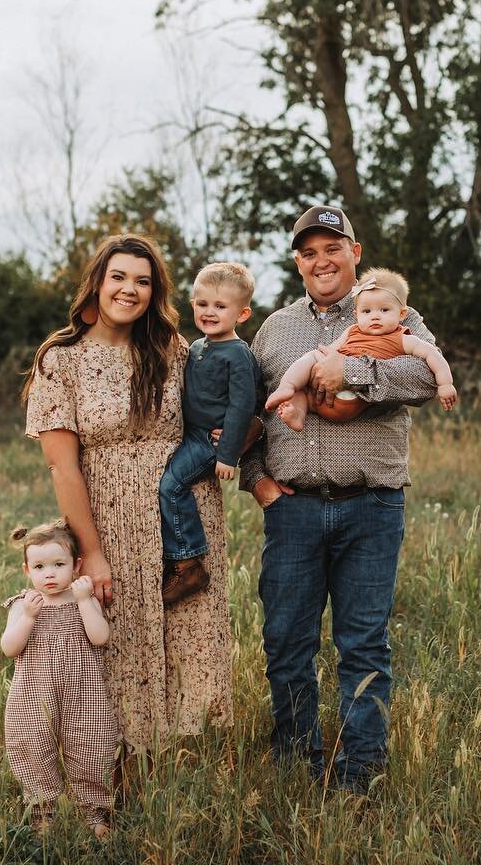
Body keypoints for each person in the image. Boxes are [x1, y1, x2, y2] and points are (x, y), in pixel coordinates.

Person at [239, 205, 439, 792]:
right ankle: (298, 764)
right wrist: (258, 482)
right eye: (309, 251)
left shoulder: (391, 314)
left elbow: (426, 378)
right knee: (287, 638)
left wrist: (347, 371)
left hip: (371, 504)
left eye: (334, 247)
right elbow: (249, 413)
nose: (321, 259)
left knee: (363, 642)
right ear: (297, 261)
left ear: (355, 251)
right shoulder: (275, 329)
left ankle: (359, 773)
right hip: (293, 505)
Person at [21, 234, 233, 760]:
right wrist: (90, 552)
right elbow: (62, 465)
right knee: (117, 635)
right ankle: (118, 761)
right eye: (119, 276)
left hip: (184, 511)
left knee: (193, 629)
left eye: (143, 281)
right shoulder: (60, 359)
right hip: (107, 515)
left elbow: (223, 402)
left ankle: (192, 761)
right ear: (97, 282)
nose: (130, 290)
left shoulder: (174, 350)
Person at [0, 520, 119, 838]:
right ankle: (43, 813)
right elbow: (9, 648)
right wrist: (28, 617)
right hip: (34, 690)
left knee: (91, 744)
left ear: (76, 566)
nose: (49, 574)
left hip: (83, 689)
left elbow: (100, 637)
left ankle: (94, 812)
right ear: (27, 570)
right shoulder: (24, 605)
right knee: (33, 744)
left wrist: (84, 601)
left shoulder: (83, 600)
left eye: (58, 564)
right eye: (39, 566)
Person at [158, 262, 261, 606]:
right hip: (189, 433)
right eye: (203, 304)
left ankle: (188, 562)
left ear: (242, 313)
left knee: (172, 485)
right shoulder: (197, 347)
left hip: (210, 441)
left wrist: (228, 454)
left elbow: (242, 406)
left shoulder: (238, 354)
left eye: (220, 306)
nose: (210, 312)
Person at [263, 267, 457, 431]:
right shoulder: (352, 331)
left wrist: (445, 384)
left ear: (402, 314)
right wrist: (319, 368)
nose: (375, 316)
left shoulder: (403, 338)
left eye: (384, 310)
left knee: (321, 369)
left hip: (350, 398)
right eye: (367, 311)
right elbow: (330, 352)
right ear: (357, 315)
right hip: (321, 396)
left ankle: (298, 398)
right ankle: (291, 398)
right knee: (312, 358)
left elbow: (432, 356)